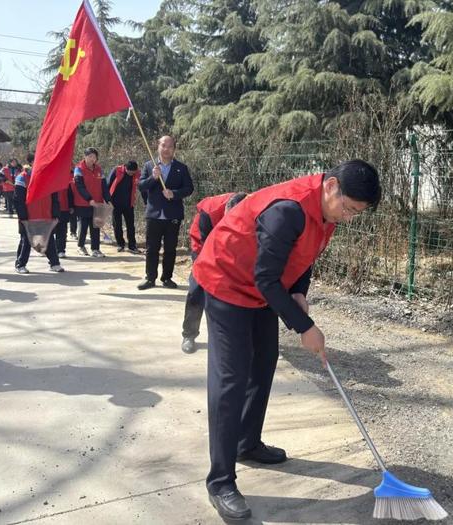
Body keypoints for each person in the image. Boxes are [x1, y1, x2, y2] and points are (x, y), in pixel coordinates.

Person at [192, 160, 381, 521]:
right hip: (227, 279)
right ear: (332, 187)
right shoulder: (288, 210)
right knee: (231, 378)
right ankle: (220, 481)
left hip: (259, 287)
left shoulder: (327, 213)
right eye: (350, 208)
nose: (350, 217)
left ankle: (247, 443)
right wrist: (304, 325)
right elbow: (265, 278)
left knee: (263, 362)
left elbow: (303, 255)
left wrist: (299, 291)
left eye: (358, 213)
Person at [181, 191, 247, 354]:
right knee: (197, 288)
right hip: (204, 245)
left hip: (234, 247)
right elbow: (208, 247)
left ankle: (234, 335)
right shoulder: (209, 212)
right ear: (226, 210)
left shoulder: (254, 208)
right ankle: (189, 334)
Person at [137, 136, 193, 290]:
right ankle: (150, 278)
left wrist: (174, 193)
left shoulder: (181, 168)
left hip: (172, 215)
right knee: (152, 248)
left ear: (174, 149)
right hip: (154, 214)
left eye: (169, 146)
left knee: (170, 248)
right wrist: (153, 178)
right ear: (158, 146)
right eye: (163, 145)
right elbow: (141, 186)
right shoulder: (150, 166)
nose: (166, 149)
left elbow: (189, 188)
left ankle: (167, 278)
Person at [13, 153, 64, 274]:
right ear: (31, 162)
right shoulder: (22, 178)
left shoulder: (49, 177)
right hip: (29, 217)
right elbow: (18, 200)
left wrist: (55, 214)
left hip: (46, 216)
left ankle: (54, 263)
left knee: (49, 240)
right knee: (26, 241)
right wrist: (23, 216)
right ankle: (20, 264)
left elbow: (55, 199)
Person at [73, 147, 110, 257]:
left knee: (96, 226)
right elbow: (80, 186)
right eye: (90, 156)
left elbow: (104, 186)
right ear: (85, 156)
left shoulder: (99, 169)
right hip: (83, 203)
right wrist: (89, 199)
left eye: (94, 157)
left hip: (97, 203)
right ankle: (81, 246)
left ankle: (95, 249)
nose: (92, 159)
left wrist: (108, 199)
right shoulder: (78, 169)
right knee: (83, 226)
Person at [108, 160, 141, 254]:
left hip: (129, 203)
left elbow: (141, 187)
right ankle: (120, 244)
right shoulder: (117, 170)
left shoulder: (137, 173)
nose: (131, 174)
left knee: (131, 225)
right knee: (117, 224)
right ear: (125, 168)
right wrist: (107, 199)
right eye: (129, 172)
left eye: (133, 172)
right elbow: (108, 183)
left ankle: (132, 245)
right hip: (115, 203)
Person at [54, 168, 74, 259]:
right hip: (50, 209)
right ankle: (48, 249)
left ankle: (61, 250)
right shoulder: (48, 179)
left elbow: (70, 194)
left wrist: (71, 206)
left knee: (62, 231)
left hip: (64, 208)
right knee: (50, 231)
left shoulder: (66, 180)